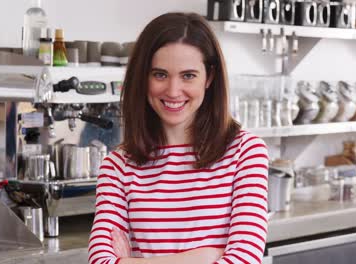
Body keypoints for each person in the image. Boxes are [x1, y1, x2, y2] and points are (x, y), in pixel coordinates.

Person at [88, 12, 269, 264]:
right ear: (143, 77)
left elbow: (244, 259)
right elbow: (99, 260)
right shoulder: (118, 165)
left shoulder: (245, 152)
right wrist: (203, 257)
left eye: (188, 75)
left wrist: (133, 261)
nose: (173, 91)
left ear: (210, 77)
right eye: (160, 74)